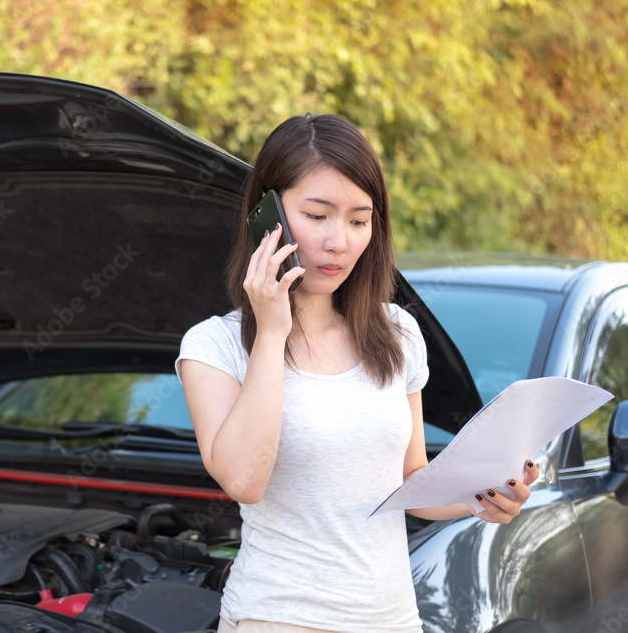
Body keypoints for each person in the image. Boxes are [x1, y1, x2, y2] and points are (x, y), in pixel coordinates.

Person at [175, 113, 539, 633]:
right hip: (278, 618)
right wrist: (274, 331)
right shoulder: (212, 345)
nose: (339, 241)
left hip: (393, 620)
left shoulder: (398, 333)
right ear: (266, 215)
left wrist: (483, 498)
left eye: (358, 220)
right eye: (317, 215)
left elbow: (411, 481)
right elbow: (243, 479)